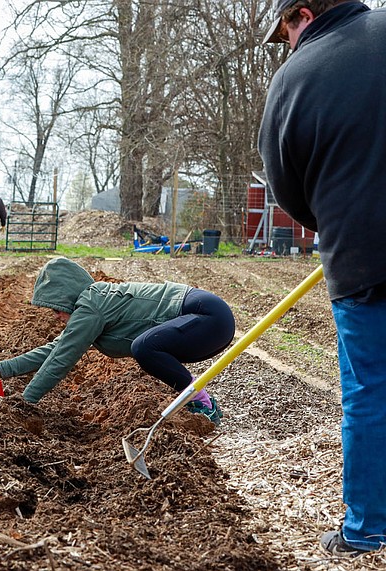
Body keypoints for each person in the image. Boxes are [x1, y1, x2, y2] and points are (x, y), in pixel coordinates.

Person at [258, 0, 386, 557]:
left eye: (284, 32)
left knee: (370, 393)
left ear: (301, 16)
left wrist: (336, 222)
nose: (286, 44)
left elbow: (286, 188)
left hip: (362, 258)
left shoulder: (293, 78)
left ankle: (367, 529)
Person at [0, 257, 234, 424]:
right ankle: (202, 402)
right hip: (205, 318)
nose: (57, 315)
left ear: (66, 296)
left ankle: (201, 404)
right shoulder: (91, 304)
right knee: (145, 347)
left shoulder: (90, 307)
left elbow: (62, 360)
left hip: (207, 316)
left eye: (56, 308)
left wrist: (25, 402)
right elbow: (55, 349)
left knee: (144, 348)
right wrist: (1, 369)